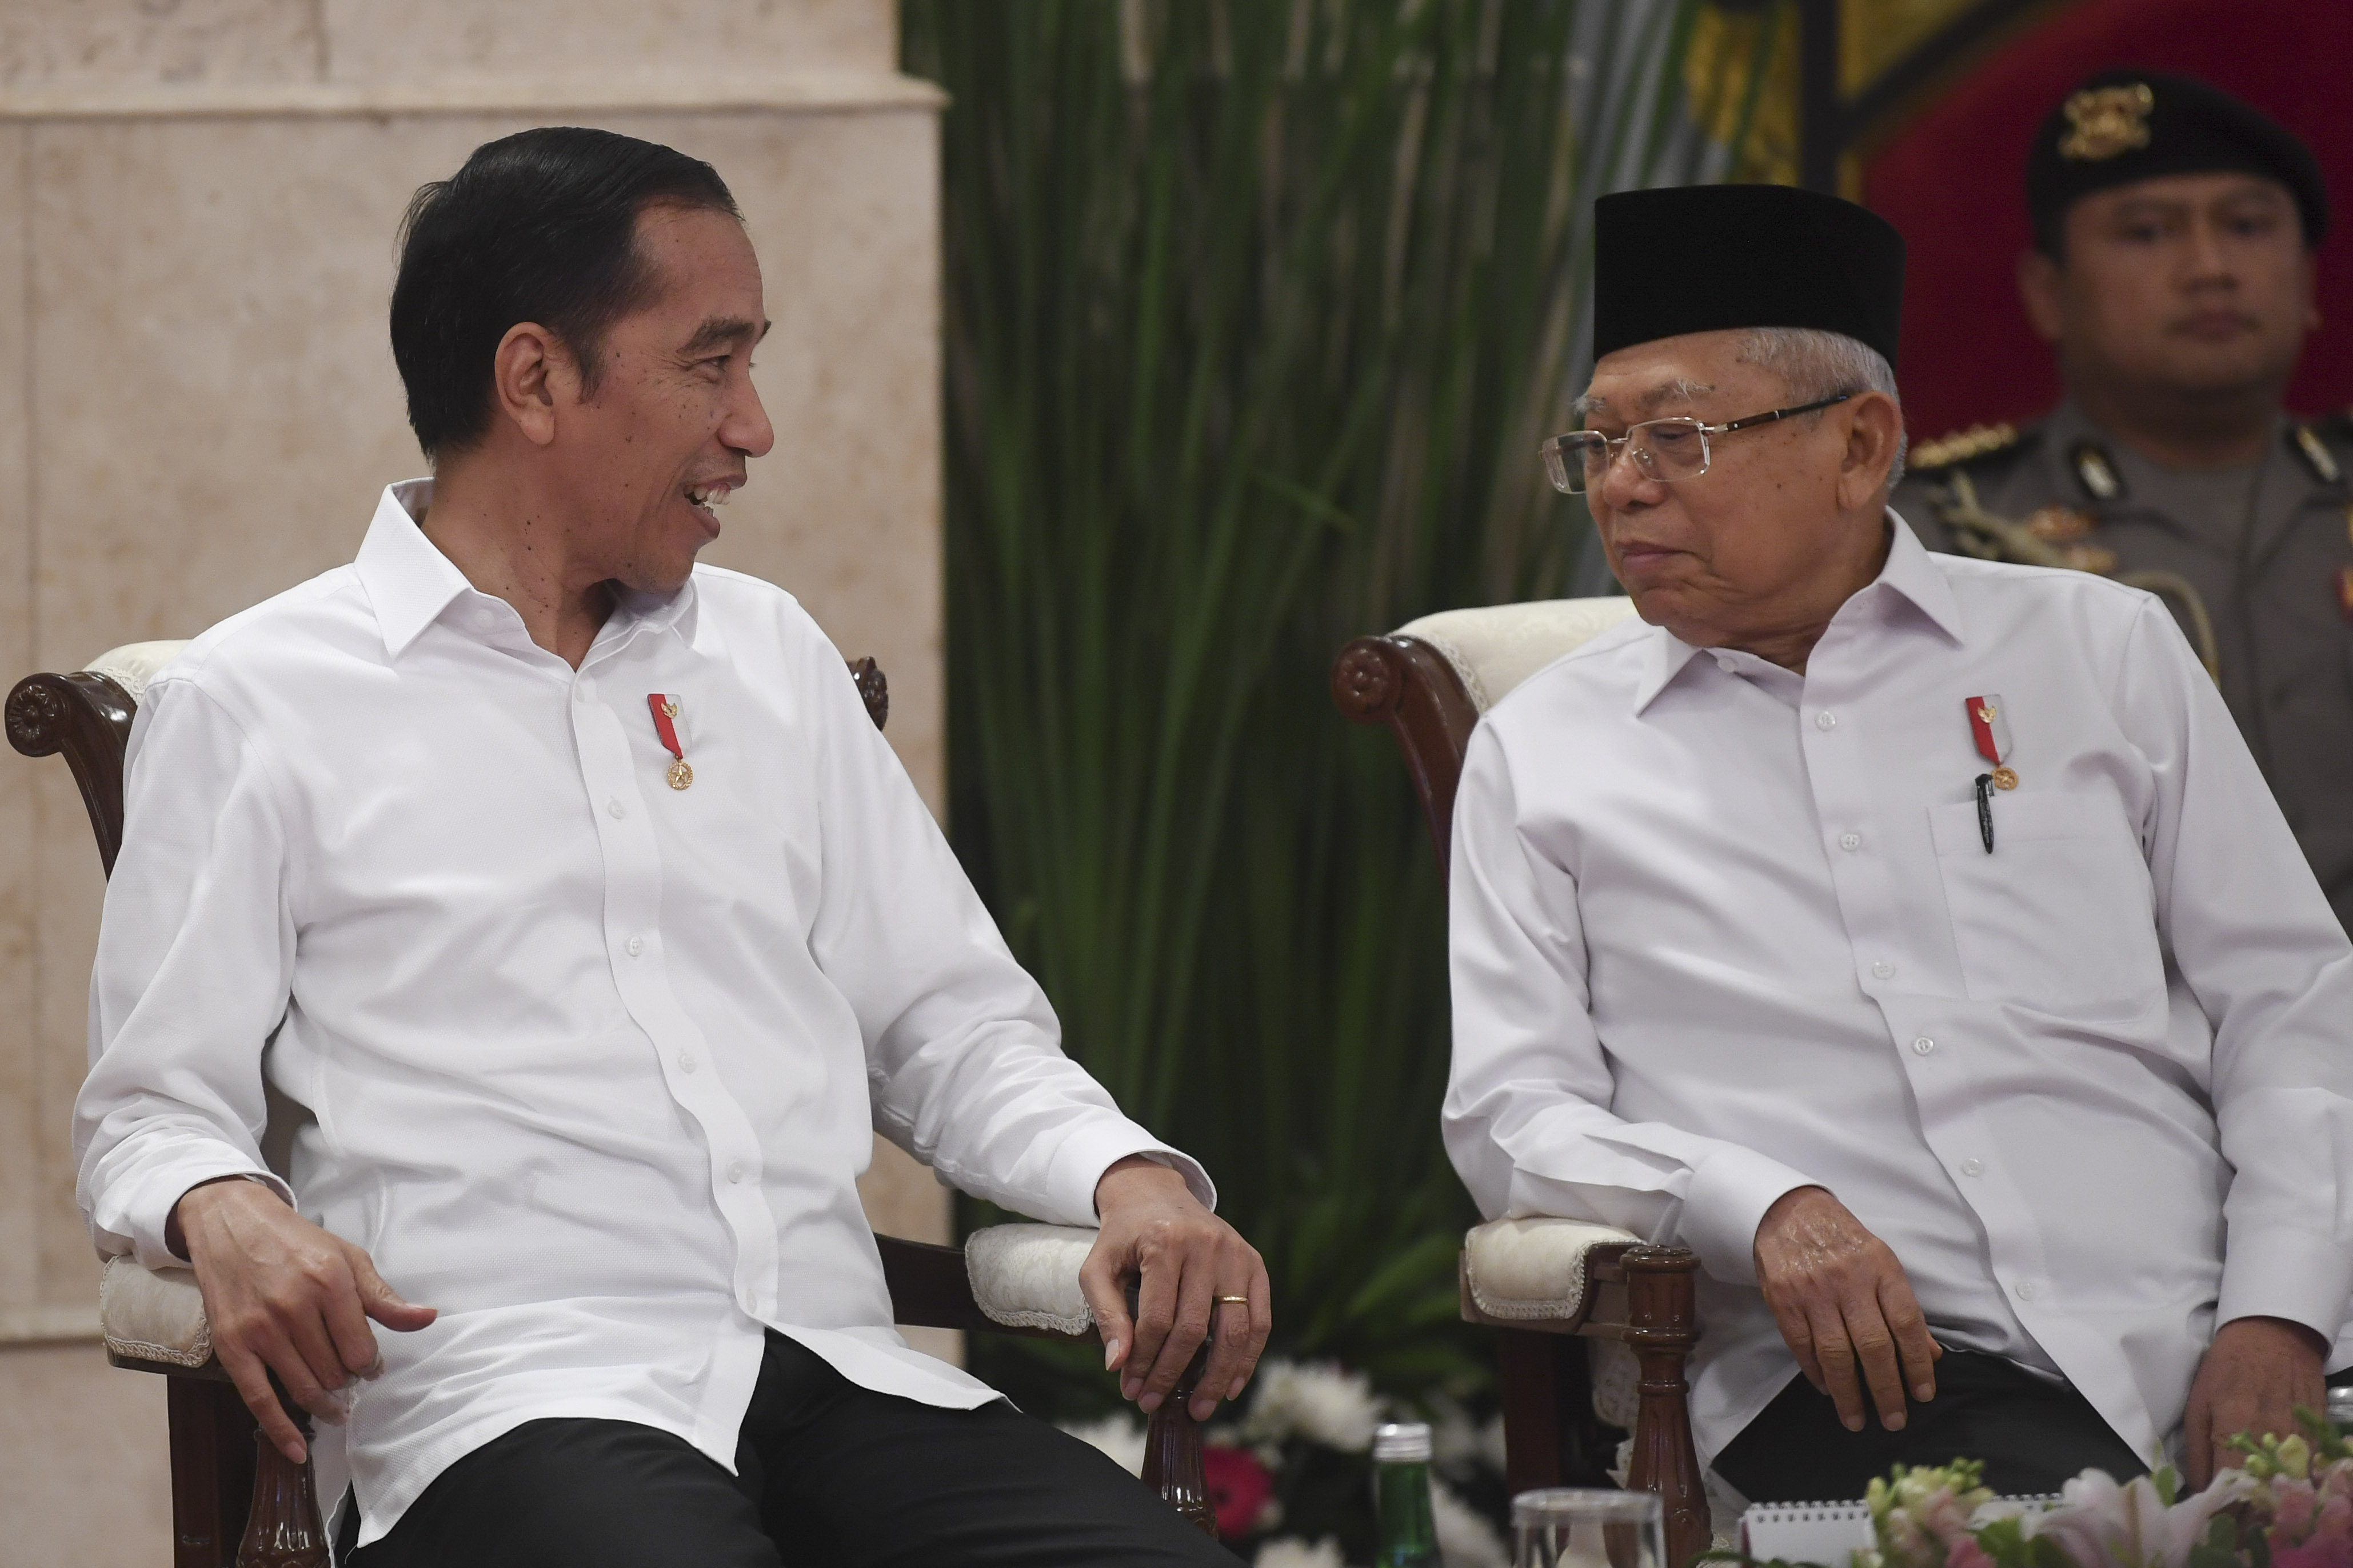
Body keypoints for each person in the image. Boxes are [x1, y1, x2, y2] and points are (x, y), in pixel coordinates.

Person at [73, 127, 1268, 1567]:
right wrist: (223, 1203)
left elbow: (949, 1025)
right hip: (510, 1403)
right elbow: (148, 1113)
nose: (754, 425)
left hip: (834, 1370)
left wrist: (1126, 1174)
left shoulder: (770, 654)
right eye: (713, 364)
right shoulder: (255, 699)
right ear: (534, 379)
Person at [1445, 182, 2353, 1505]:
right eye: (1597, 445)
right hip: (1868, 1377)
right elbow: (1511, 1112)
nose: (1623, 487)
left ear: (1859, 448)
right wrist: (1757, 1204)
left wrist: (2280, 1312)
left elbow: (2289, 1002)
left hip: (2203, 1327)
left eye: (1677, 437)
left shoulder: (2097, 651)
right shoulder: (1547, 747)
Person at [1891, 69, 2353, 935]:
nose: (2210, 268)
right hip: (2116, 1036)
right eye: (2146, 233)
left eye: (2248, 227)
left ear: (2306, 279)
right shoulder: (1945, 536)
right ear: (2048, 294)